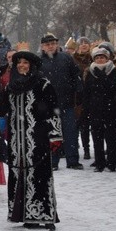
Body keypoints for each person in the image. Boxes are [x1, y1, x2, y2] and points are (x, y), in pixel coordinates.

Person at [1, 51, 61, 230]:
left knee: (40, 176)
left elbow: (54, 110)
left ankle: (45, 215)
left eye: (25, 62)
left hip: (37, 139)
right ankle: (24, 215)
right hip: (16, 141)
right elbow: (2, 108)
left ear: (32, 65)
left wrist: (55, 135)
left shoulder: (43, 85)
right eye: (18, 63)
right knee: (19, 175)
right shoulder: (11, 87)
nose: (21, 65)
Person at [38, 33, 83, 170]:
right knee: (52, 134)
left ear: (57, 44)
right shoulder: (38, 61)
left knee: (71, 133)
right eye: (47, 44)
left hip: (67, 102)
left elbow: (76, 76)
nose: (50, 46)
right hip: (48, 105)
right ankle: (53, 161)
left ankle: (73, 160)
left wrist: (78, 92)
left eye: (53, 43)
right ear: (42, 47)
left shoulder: (66, 58)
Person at [82, 47, 116, 172]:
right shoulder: (90, 72)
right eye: (97, 57)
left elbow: (113, 88)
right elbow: (87, 92)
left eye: (102, 57)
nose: (100, 60)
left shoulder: (114, 71)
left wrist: (103, 78)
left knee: (112, 137)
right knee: (97, 137)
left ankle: (111, 162)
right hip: (95, 109)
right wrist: (86, 109)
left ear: (107, 58)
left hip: (112, 109)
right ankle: (99, 162)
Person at [72, 37, 93, 160]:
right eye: (81, 43)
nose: (84, 45)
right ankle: (85, 149)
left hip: (93, 95)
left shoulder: (93, 58)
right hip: (79, 96)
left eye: (86, 43)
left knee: (95, 125)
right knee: (82, 125)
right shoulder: (73, 60)